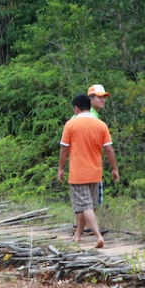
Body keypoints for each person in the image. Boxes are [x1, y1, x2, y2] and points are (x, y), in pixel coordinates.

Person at [58, 94, 119, 248]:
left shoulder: (71, 124)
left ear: (76, 108)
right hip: (95, 172)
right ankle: (78, 235)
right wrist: (114, 168)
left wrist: (60, 168)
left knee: (85, 206)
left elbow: (64, 148)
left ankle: (98, 236)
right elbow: (109, 149)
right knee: (87, 206)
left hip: (78, 173)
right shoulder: (101, 124)